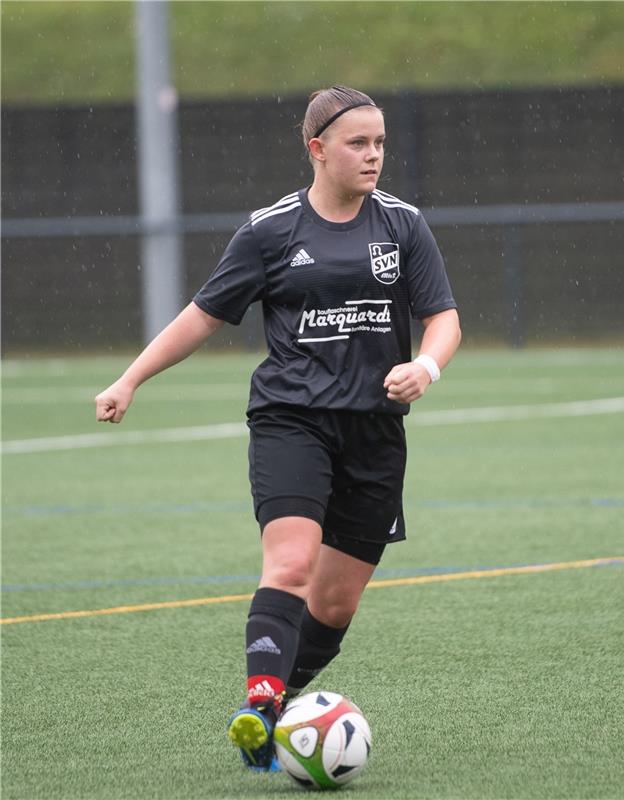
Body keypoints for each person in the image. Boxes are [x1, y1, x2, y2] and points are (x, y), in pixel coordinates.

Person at [95, 85, 462, 773]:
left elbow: (443, 317)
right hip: (291, 421)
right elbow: (202, 315)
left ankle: (279, 707)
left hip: (376, 435)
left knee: (335, 603)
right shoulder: (270, 231)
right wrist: (130, 378)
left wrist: (427, 368)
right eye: (358, 143)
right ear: (317, 148)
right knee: (290, 564)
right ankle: (260, 704)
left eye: (380, 142)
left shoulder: (404, 225)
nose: (374, 155)